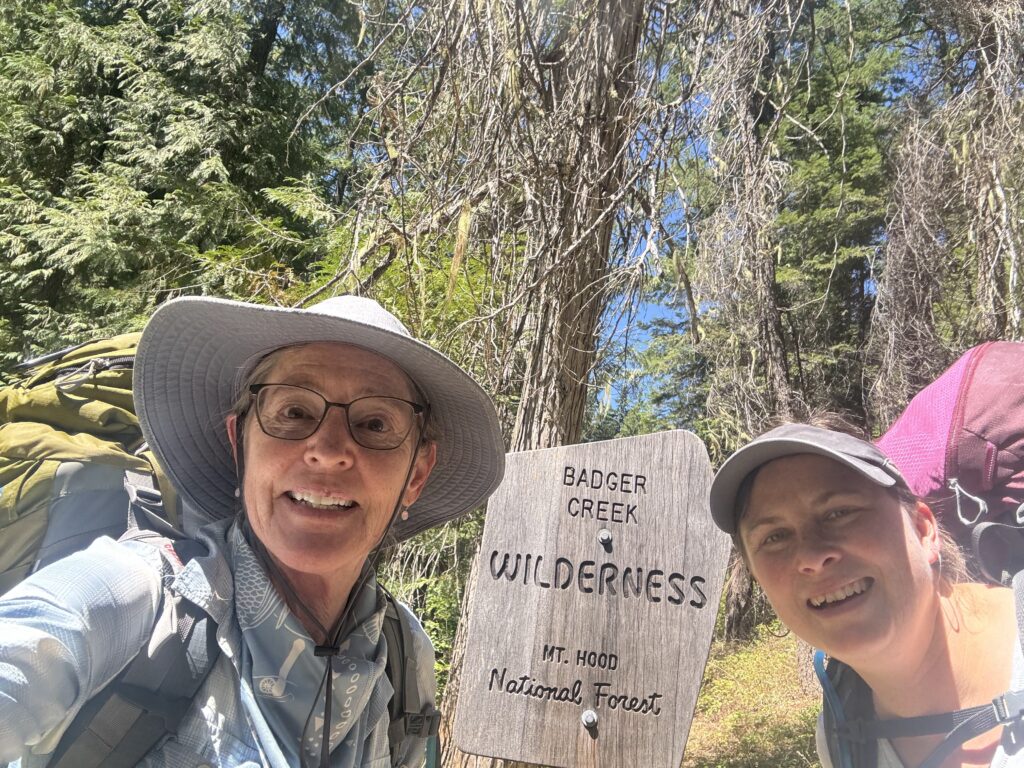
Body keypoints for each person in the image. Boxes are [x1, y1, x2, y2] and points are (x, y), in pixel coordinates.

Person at [0, 295, 506, 768]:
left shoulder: (404, 652)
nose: (328, 450)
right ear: (240, 443)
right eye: (294, 412)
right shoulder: (132, 599)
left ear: (416, 474)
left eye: (375, 424)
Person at [708, 421, 1021, 768]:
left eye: (839, 513)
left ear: (923, 529)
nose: (811, 557)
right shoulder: (840, 738)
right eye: (774, 537)